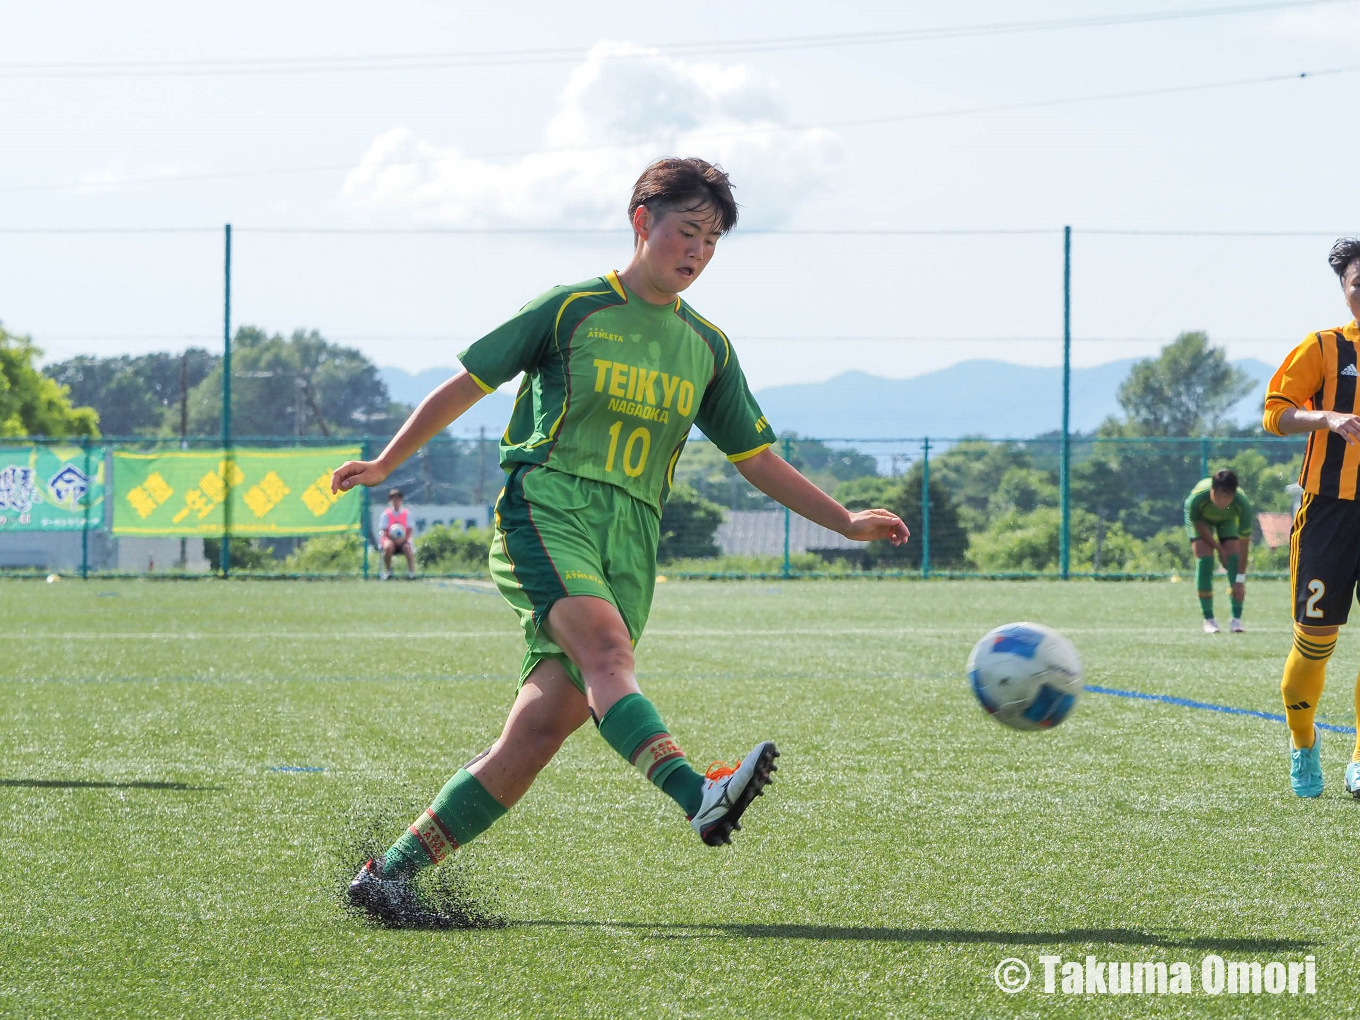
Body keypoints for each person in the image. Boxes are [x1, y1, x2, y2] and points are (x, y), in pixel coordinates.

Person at [329, 157, 910, 924]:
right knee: (608, 655)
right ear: (643, 222)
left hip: (632, 540)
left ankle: (387, 876)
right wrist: (386, 463)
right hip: (548, 506)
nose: (698, 251)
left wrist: (845, 521)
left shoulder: (708, 348)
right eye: (688, 230)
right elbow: (469, 381)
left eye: (712, 240)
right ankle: (699, 796)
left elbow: (757, 459)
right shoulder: (571, 309)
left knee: (536, 734)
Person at [1262, 236, 1360, 798]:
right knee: (1315, 639)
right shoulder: (1323, 348)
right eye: (1358, 282)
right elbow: (1275, 414)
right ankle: (1304, 743)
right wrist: (1326, 416)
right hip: (1327, 514)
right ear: (1345, 289)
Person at [1183, 469, 1253, 634]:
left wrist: (1240, 580)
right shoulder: (1197, 498)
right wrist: (1219, 549)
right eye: (1218, 495)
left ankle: (1236, 619)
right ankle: (1209, 619)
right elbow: (1199, 525)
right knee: (1205, 560)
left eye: (1227, 497)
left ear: (1234, 494)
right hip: (1202, 521)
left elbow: (1244, 546)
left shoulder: (1242, 504)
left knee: (1234, 560)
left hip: (1227, 520)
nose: (1222, 501)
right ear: (1212, 490)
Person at [376, 488, 416, 580]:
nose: (396, 501)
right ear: (390, 501)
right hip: (390, 539)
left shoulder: (407, 514)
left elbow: (409, 529)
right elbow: (384, 530)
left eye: (398, 498)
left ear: (401, 500)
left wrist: (402, 540)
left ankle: (411, 573)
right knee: (388, 547)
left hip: (404, 540)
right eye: (393, 499)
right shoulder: (385, 514)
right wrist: (392, 539)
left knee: (407, 548)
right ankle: (388, 571)